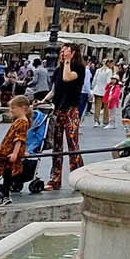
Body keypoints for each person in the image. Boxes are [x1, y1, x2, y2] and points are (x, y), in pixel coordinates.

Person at [47, 44, 86, 191]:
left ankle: (79, 178)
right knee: (56, 145)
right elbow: (54, 89)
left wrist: (68, 62)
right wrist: (43, 100)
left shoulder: (79, 69)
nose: (62, 53)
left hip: (71, 111)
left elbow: (67, 77)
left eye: (66, 51)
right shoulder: (58, 70)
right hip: (58, 110)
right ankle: (55, 179)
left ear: (74, 52)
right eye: (62, 51)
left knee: (72, 144)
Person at [0, 96, 34, 199]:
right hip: (9, 150)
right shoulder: (21, 121)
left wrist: (15, 153)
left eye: (13, 108)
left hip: (8, 150)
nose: (11, 110)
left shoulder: (22, 122)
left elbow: (19, 139)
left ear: (22, 108)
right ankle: (5, 196)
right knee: (7, 171)